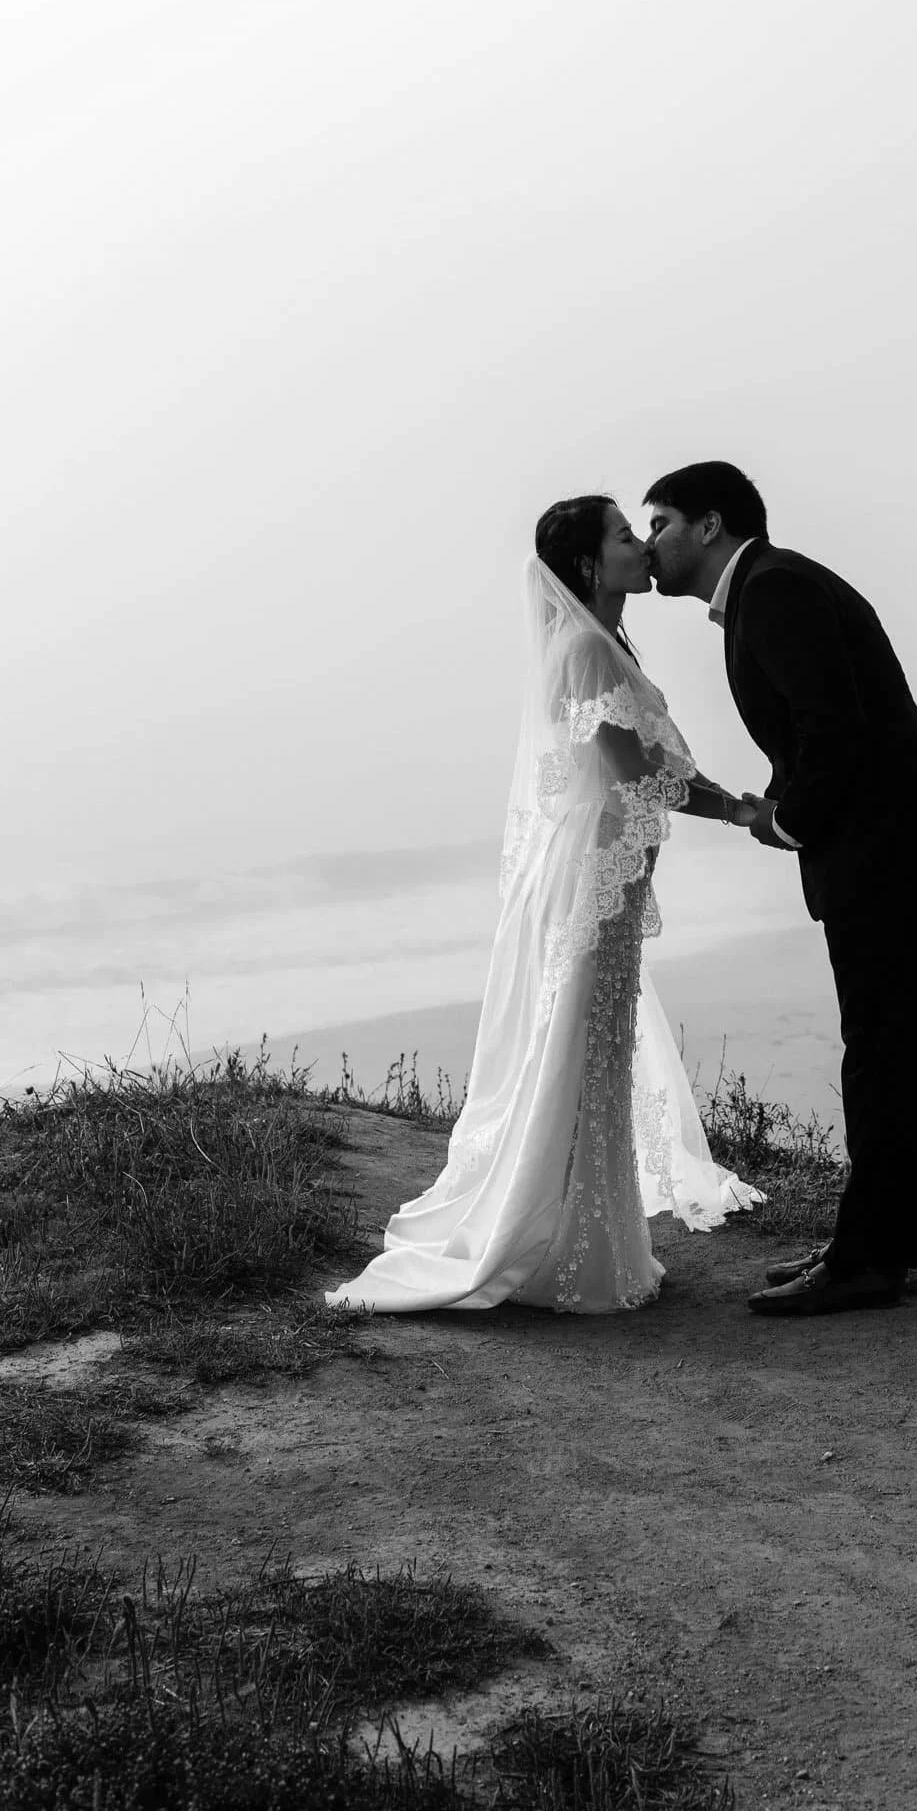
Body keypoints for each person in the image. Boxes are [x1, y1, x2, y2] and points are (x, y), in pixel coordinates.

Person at [325, 496, 763, 1316]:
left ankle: (580, 1227)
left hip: (606, 867)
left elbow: (638, 769)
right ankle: (554, 1237)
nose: (642, 546)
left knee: (594, 1040)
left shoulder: (599, 642)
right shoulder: (587, 650)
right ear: (590, 564)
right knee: (582, 1041)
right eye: (626, 535)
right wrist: (739, 811)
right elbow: (639, 775)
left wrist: (724, 801)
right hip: (595, 870)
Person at [643, 462, 917, 1315]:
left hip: (890, 840)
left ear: (709, 525)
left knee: (882, 1046)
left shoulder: (774, 588)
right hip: (885, 836)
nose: (650, 545)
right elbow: (813, 728)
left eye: (659, 524)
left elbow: (834, 727)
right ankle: (870, 1245)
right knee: (882, 1044)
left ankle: (868, 1262)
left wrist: (788, 821)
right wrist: (780, 807)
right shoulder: (765, 587)